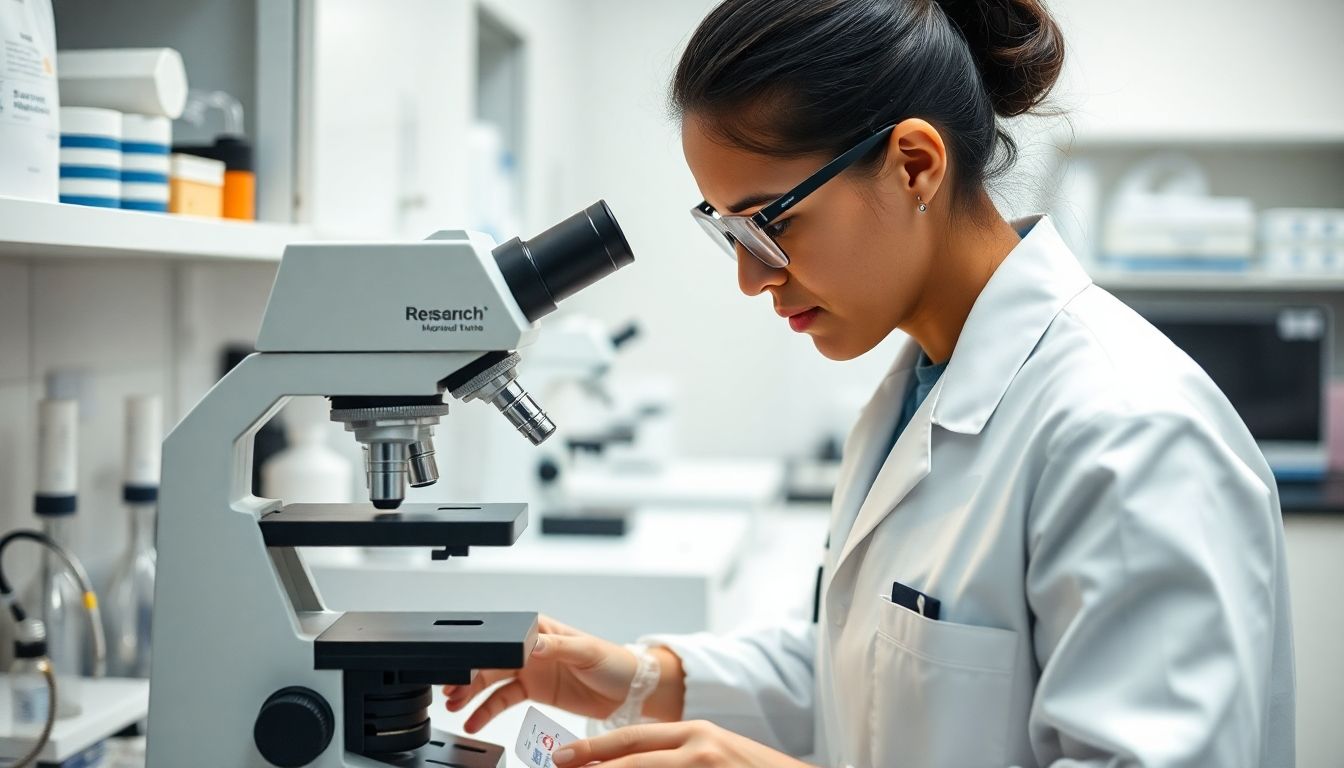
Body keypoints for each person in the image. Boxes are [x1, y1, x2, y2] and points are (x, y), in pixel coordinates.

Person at [444, 0, 1296, 765]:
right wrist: (633, 678)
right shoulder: (917, 392)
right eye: (728, 232)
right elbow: (873, 684)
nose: (751, 279)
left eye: (768, 225)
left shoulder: (1129, 432)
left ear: (915, 165)